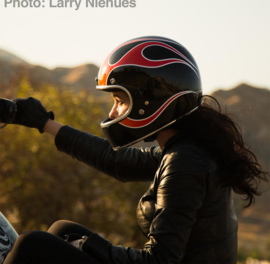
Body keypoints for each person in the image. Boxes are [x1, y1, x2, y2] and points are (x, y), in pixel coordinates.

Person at [1, 36, 268, 264]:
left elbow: (158, 260)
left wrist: (88, 244)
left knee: (31, 245)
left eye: (119, 101)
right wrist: (43, 123)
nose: (112, 112)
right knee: (62, 229)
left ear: (149, 103)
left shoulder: (185, 161)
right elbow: (114, 160)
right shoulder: (186, 148)